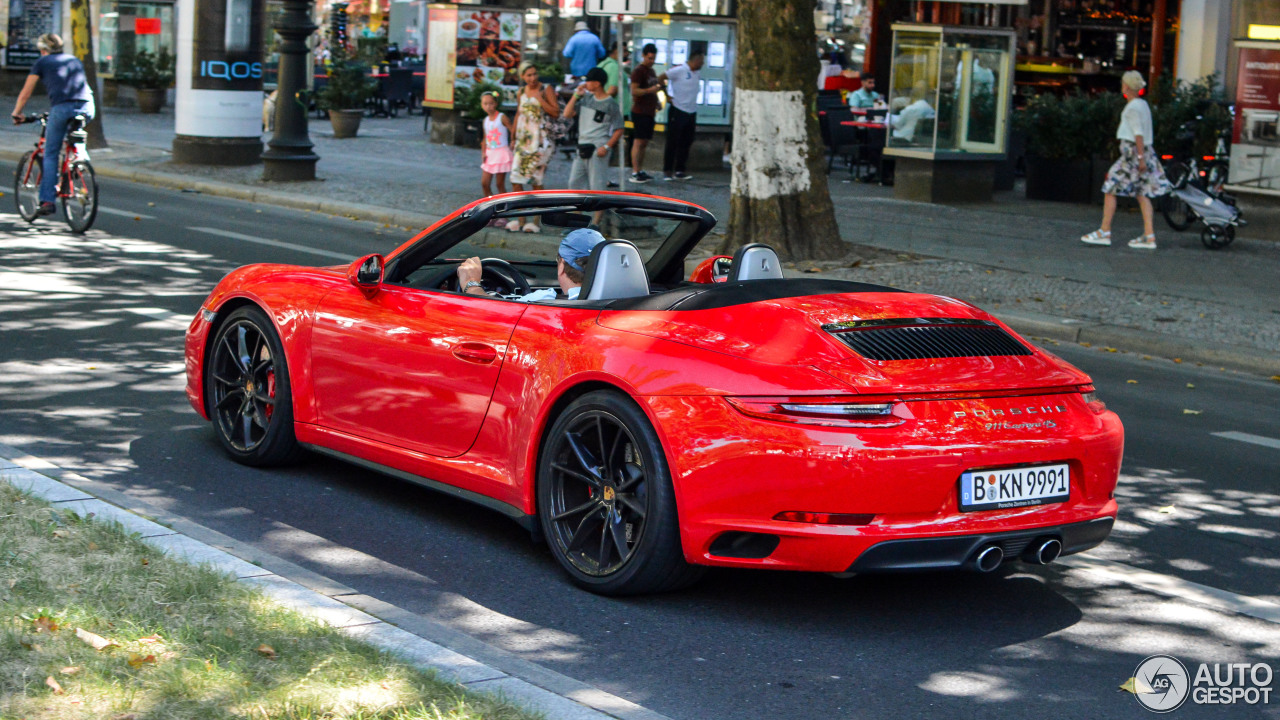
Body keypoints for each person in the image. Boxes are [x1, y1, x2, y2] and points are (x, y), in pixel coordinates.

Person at [1081, 70, 1172, 250]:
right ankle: (1149, 235)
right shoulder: (1143, 105)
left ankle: (1104, 231)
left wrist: (1139, 158)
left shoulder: (1131, 108)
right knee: (1142, 192)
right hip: (1145, 151)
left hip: (1132, 154)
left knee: (1110, 186)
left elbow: (1137, 133)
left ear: (1127, 87)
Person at [10, 33, 95, 218]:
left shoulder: (42, 62)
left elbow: (26, 92)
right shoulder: (74, 60)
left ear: (43, 50)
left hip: (62, 108)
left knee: (50, 153)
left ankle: (47, 201)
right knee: (75, 133)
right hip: (87, 105)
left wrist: (17, 113)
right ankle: (79, 160)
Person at [456, 228, 606, 301]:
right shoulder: (625, 300)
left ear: (562, 266)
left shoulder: (543, 301)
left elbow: (491, 312)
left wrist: (472, 285)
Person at [508, 61, 560, 233]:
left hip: (539, 142)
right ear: (522, 77)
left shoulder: (546, 89)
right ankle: (521, 220)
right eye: (528, 75)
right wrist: (513, 136)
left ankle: (536, 221)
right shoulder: (521, 91)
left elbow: (555, 111)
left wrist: (540, 100)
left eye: (534, 74)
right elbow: (518, 113)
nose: (532, 78)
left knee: (536, 181)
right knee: (516, 179)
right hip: (523, 141)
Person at [564, 67, 623, 192]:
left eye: (589, 81)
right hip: (581, 146)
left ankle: (598, 211)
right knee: (574, 184)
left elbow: (619, 128)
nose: (586, 84)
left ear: (597, 83)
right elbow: (567, 114)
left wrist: (607, 147)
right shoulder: (586, 99)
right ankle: (577, 211)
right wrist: (576, 95)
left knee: (597, 186)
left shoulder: (611, 103)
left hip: (598, 147)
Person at [660, 49, 703, 181]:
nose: (703, 64)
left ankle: (680, 169)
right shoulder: (679, 70)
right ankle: (667, 170)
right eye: (701, 62)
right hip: (678, 109)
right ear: (695, 61)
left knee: (687, 140)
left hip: (691, 111)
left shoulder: (697, 72)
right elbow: (661, 77)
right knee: (673, 141)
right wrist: (666, 95)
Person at [628, 43, 664, 184]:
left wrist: (657, 101)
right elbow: (634, 90)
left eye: (653, 58)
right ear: (643, 56)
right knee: (638, 141)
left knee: (644, 142)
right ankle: (635, 171)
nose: (652, 61)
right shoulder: (638, 71)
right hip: (640, 111)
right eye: (649, 58)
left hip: (649, 111)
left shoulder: (651, 71)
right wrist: (650, 91)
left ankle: (639, 169)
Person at [479, 91, 513, 199]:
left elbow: (512, 130)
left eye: (491, 103)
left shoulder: (502, 117)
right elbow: (485, 137)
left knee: (500, 184)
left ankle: (504, 209)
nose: (488, 107)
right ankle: (490, 205)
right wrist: (483, 152)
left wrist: (513, 141)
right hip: (490, 153)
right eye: (485, 104)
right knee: (485, 183)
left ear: (496, 103)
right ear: (481, 104)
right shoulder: (485, 120)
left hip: (501, 153)